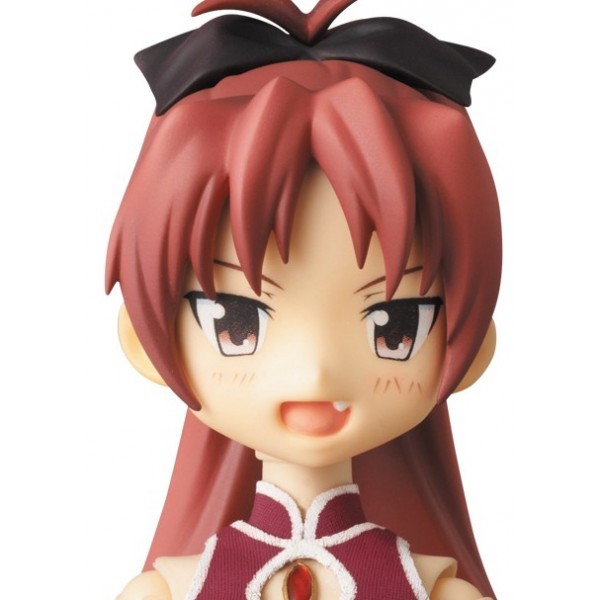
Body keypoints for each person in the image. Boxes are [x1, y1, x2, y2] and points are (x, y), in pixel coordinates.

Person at [107, 1, 501, 598]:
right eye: (237, 323)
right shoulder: (166, 590)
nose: (316, 371)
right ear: (144, 340)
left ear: (470, 353)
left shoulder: (439, 589)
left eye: (394, 326)